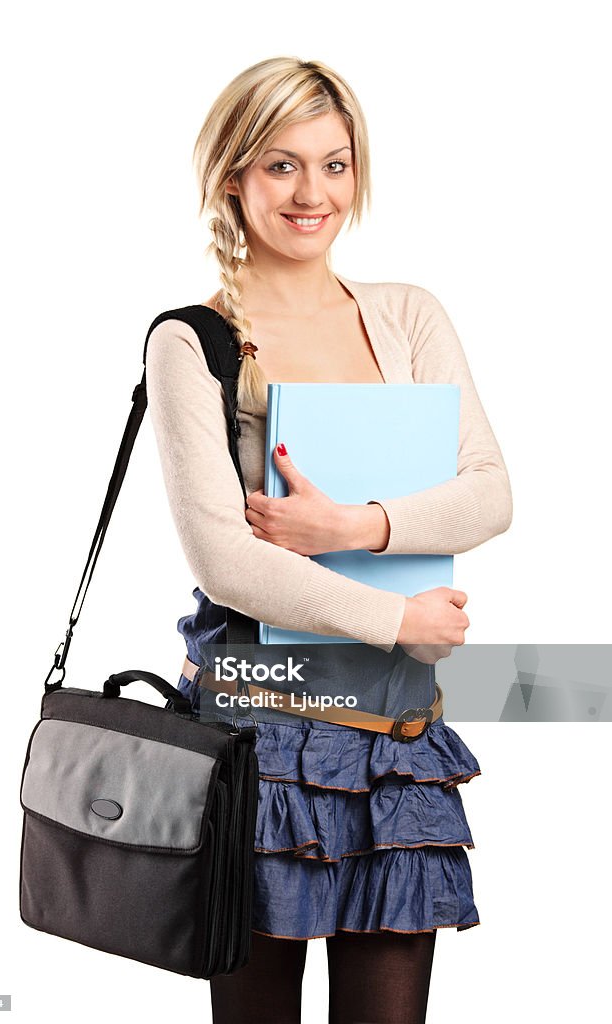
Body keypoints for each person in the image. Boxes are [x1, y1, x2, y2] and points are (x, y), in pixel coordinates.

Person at [145, 57, 512, 1024]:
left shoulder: (406, 315)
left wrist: (351, 527)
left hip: (393, 738)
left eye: (333, 164)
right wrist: (399, 617)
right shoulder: (194, 340)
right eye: (279, 166)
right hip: (260, 735)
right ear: (232, 177)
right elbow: (222, 561)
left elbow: (488, 494)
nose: (313, 194)